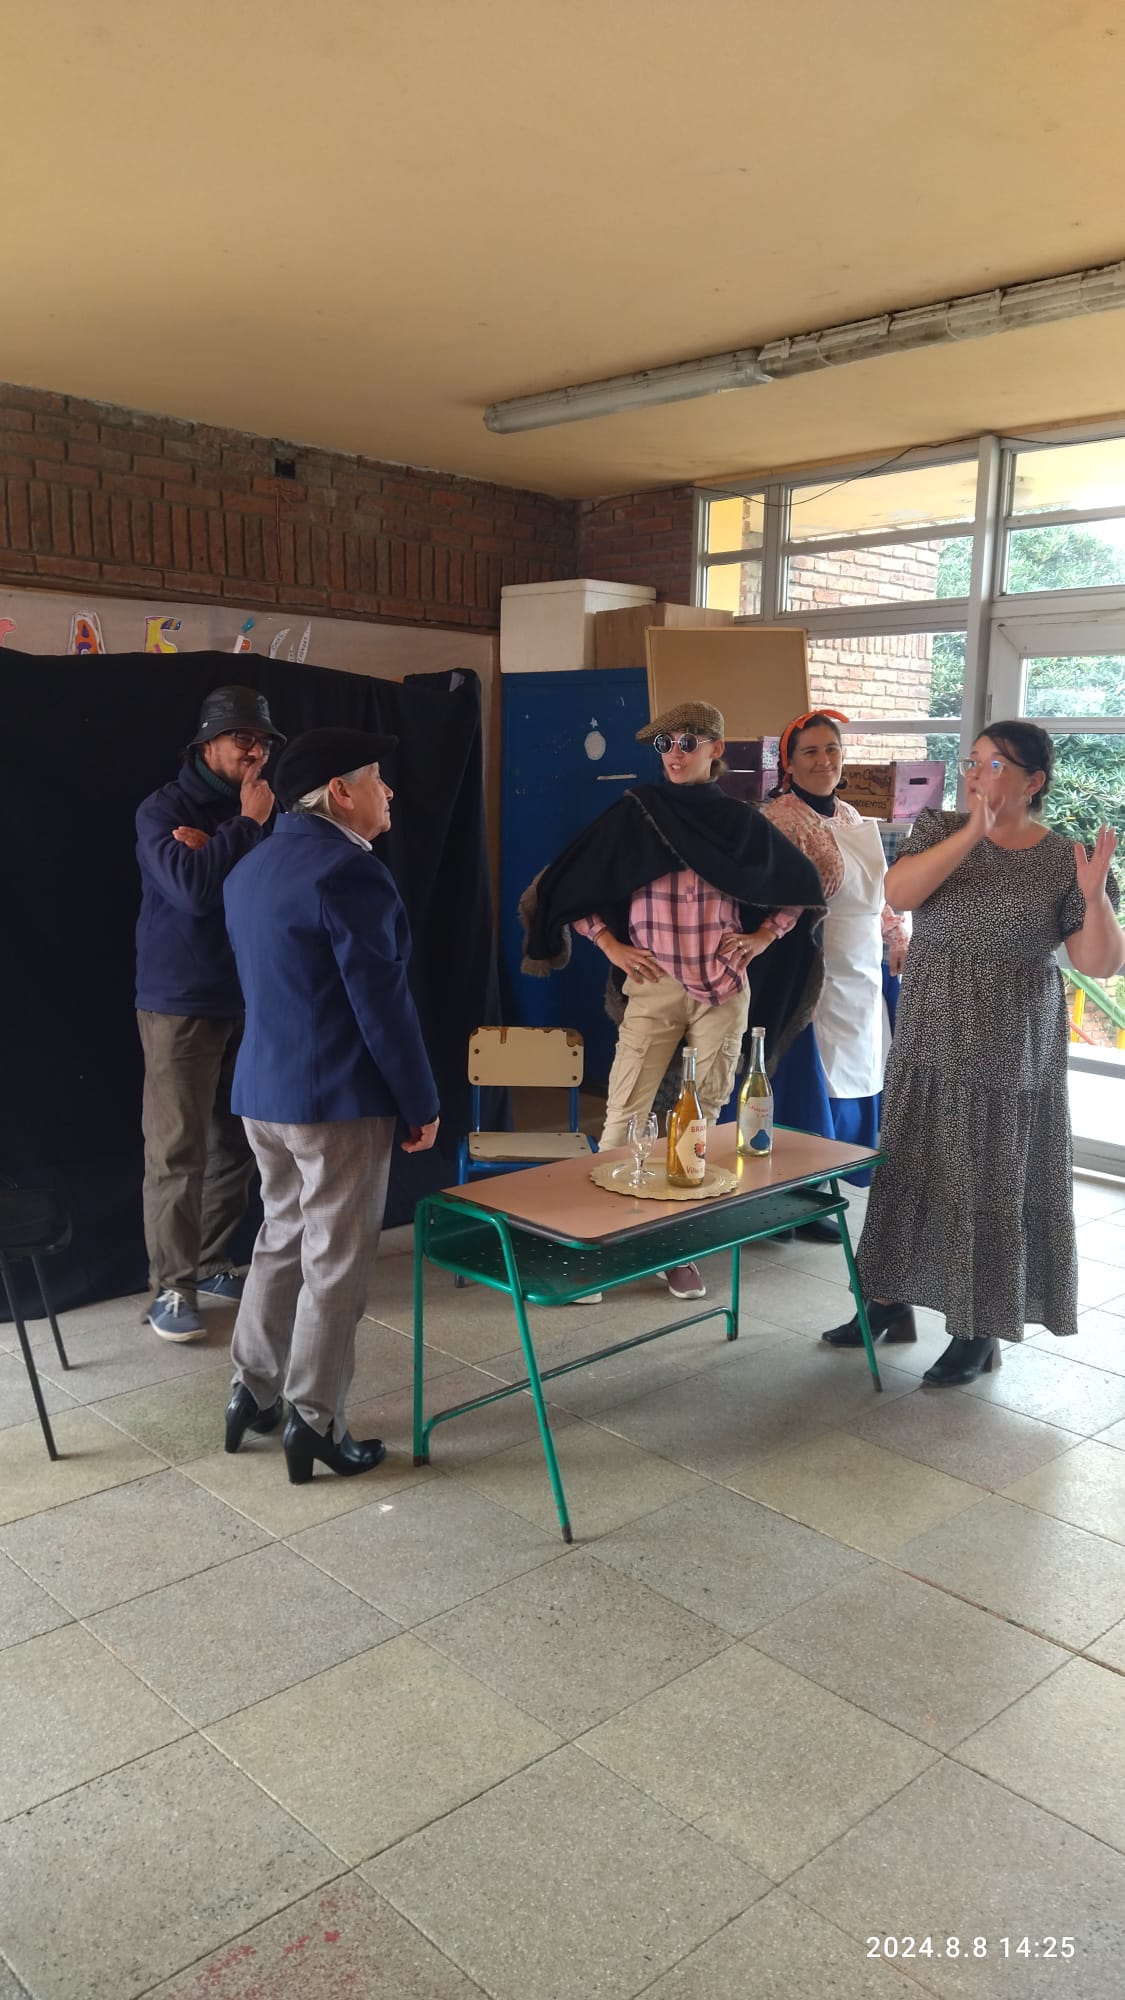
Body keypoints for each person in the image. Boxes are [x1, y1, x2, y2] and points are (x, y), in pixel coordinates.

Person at [821, 719, 1124, 1382]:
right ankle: (885, 1302)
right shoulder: (937, 829)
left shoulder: (1061, 858)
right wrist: (969, 833)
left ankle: (978, 1329)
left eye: (995, 765)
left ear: (1033, 780)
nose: (977, 775)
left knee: (987, 1186)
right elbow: (897, 895)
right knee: (908, 1172)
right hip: (929, 1033)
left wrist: (1095, 898)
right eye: (974, 761)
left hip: (1006, 1046)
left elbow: (1096, 962)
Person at [521, 700, 825, 1301]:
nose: (676, 755)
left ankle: (674, 1249)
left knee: (701, 1123)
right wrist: (607, 943)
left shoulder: (741, 823)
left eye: (688, 742)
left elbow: (800, 889)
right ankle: (599, 1248)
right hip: (654, 988)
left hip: (723, 993)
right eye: (665, 746)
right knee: (624, 1117)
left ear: (717, 749)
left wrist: (764, 937)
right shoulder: (638, 815)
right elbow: (568, 882)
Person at [222, 726, 440, 1481]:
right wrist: (419, 1099)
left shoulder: (251, 866)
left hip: (262, 1089)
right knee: (336, 1259)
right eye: (377, 779)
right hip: (337, 1098)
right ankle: (315, 1421)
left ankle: (250, 1391)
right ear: (340, 792)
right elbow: (381, 1006)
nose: (389, 793)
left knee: (281, 1237)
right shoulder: (350, 873)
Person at [135, 684, 285, 1342]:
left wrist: (223, 842)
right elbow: (196, 893)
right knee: (177, 1150)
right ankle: (170, 1289)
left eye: (262, 741)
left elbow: (279, 883)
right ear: (207, 744)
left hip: (248, 994)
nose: (254, 751)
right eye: (241, 740)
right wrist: (245, 829)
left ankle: (210, 1260)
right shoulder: (163, 810)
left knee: (237, 1145)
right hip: (181, 1002)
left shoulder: (266, 811)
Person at [760, 710, 909, 1242]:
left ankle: (824, 1184)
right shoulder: (779, 819)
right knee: (806, 1084)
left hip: (863, 964)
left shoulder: (851, 815)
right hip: (808, 961)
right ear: (789, 762)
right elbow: (772, 899)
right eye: (811, 752)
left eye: (831, 749)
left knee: (858, 1074)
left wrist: (898, 939)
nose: (824, 761)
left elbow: (883, 896)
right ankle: (787, 1198)